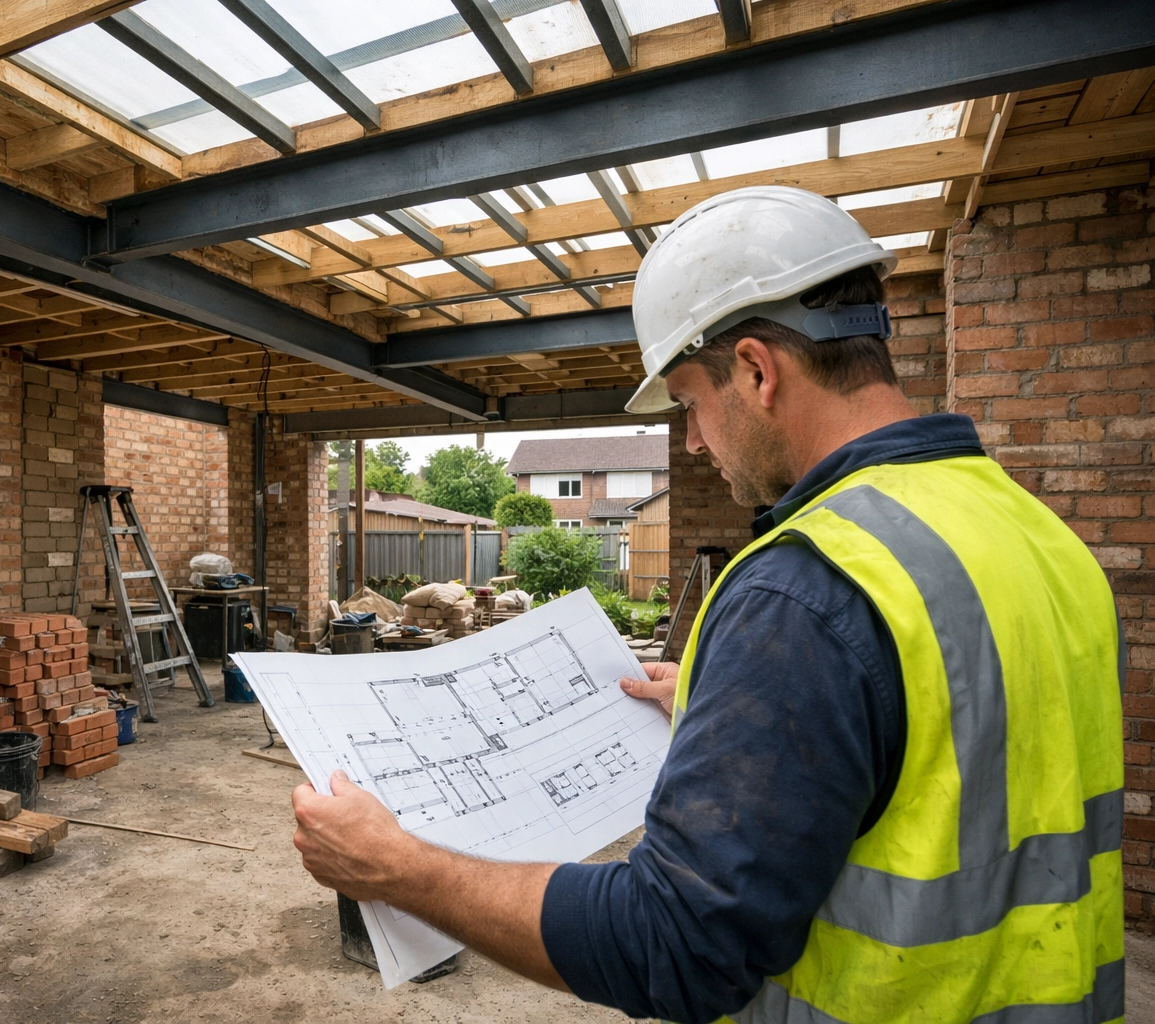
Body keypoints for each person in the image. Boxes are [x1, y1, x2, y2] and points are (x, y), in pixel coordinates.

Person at [290, 186, 1125, 1023]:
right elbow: (947, 737)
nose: (691, 440)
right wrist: (723, 699)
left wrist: (399, 868)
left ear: (758, 370)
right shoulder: (1038, 536)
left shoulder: (805, 588)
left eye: (690, 402)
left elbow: (676, 945)